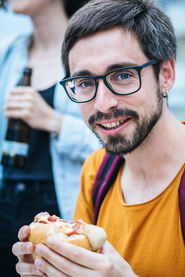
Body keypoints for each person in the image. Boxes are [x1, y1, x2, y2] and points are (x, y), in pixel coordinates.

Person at [12, 0, 185, 276]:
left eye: (123, 75)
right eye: (86, 83)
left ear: (166, 75)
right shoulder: (96, 171)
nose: (102, 104)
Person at [0, 0, 99, 276]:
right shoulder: (8, 52)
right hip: (7, 196)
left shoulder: (91, 51)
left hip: (61, 207)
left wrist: (52, 122)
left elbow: (118, 145)